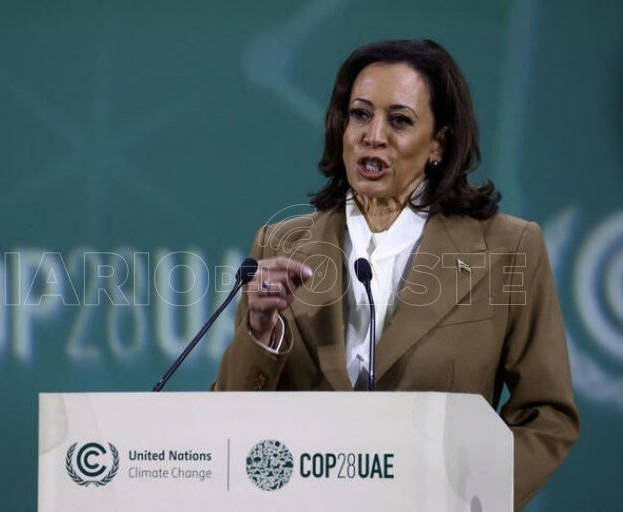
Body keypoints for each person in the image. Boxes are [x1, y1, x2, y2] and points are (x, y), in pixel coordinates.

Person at [213, 39, 579, 510]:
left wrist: (469, 500)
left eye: (399, 120)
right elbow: (230, 420)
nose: (374, 135)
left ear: (439, 143)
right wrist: (260, 332)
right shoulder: (280, 244)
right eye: (360, 115)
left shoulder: (508, 247)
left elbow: (546, 415)